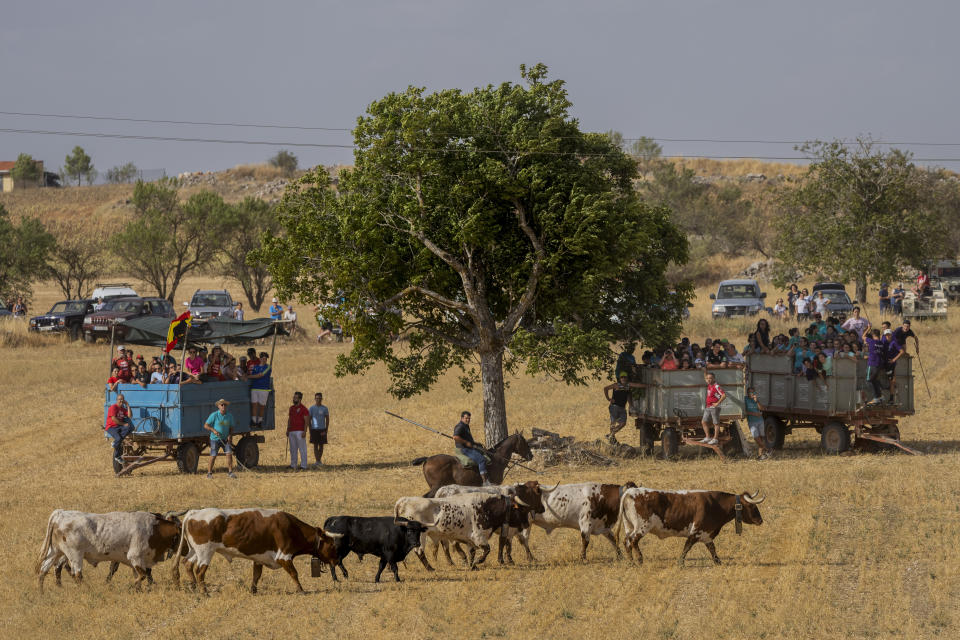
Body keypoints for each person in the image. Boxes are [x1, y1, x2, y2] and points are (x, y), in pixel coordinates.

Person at [452, 411, 490, 485]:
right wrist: (466, 443)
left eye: (469, 418)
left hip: (469, 447)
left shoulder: (466, 426)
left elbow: (467, 438)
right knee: (481, 460)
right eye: (466, 418)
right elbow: (455, 437)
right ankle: (485, 481)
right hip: (464, 449)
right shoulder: (460, 426)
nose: (468, 420)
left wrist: (475, 443)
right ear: (462, 418)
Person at [603, 373, 644, 444]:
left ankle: (610, 435)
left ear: (627, 378)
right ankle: (611, 438)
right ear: (619, 378)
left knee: (623, 423)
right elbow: (605, 388)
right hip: (614, 407)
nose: (623, 378)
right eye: (622, 377)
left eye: (625, 377)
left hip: (622, 408)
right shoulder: (616, 385)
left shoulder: (628, 385)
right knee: (613, 423)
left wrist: (649, 385)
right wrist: (608, 399)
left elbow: (637, 386)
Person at [203, 399, 236, 479]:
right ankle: (209, 473)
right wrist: (213, 430)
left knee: (229, 454)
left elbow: (231, 427)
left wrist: (230, 435)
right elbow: (206, 425)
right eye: (222, 405)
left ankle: (230, 472)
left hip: (225, 439)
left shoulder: (229, 416)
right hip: (215, 439)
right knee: (213, 455)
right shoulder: (214, 415)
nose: (223, 406)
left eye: (225, 405)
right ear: (218, 406)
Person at [105, 393, 133, 467]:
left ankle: (115, 444)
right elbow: (114, 419)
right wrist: (123, 424)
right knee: (119, 438)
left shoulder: (123, 409)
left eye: (122, 399)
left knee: (130, 427)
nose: (121, 401)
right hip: (111, 427)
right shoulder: (113, 407)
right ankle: (117, 455)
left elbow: (130, 416)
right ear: (116, 400)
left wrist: (127, 405)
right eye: (119, 399)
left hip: (118, 426)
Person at [286, 391, 310, 471]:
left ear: (300, 399)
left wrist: (305, 431)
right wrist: (287, 429)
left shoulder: (304, 409)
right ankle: (293, 465)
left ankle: (304, 465)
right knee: (293, 449)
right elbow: (289, 419)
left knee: (302, 448)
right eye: (294, 397)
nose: (294, 399)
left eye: (296, 398)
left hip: (300, 431)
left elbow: (306, 421)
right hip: (292, 430)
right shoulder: (291, 408)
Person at [700, 372, 726, 446]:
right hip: (708, 407)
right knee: (704, 422)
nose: (709, 380)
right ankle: (708, 437)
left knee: (716, 423)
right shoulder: (709, 385)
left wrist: (717, 403)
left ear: (714, 379)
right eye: (707, 378)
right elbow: (705, 376)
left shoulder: (716, 386)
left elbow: (723, 395)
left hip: (715, 408)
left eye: (710, 378)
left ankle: (715, 439)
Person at [744, 387, 770, 459]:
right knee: (756, 438)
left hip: (760, 421)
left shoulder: (756, 399)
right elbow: (744, 411)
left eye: (753, 392)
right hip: (752, 421)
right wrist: (753, 414)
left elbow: (761, 409)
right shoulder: (745, 399)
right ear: (747, 393)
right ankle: (768, 450)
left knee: (761, 438)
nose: (751, 394)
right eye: (750, 392)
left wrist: (757, 401)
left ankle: (760, 455)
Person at [248, 352, 272, 427]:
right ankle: (254, 421)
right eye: (263, 358)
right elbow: (254, 375)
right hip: (255, 388)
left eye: (266, 359)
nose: (265, 360)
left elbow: (260, 375)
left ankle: (260, 421)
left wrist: (248, 376)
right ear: (260, 359)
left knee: (262, 406)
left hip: (264, 389)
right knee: (254, 405)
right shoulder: (255, 367)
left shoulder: (268, 367)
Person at [862, 326, 884, 405]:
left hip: (872, 364)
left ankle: (875, 398)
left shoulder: (871, 341)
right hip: (879, 365)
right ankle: (880, 396)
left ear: (873, 335)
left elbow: (863, 336)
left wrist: (868, 328)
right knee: (874, 380)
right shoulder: (881, 343)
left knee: (868, 381)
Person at [882, 329, 905, 403]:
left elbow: (902, 351)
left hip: (891, 365)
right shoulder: (883, 342)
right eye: (886, 335)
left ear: (891, 335)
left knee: (892, 381)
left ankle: (891, 398)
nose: (888, 336)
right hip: (883, 364)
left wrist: (894, 359)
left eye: (889, 334)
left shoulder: (894, 342)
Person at [308, 392, 330, 467]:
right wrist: (310, 429)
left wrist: (326, 429)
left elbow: (327, 419)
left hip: (322, 429)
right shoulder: (311, 408)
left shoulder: (325, 408)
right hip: (314, 429)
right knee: (315, 445)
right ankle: (317, 461)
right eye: (317, 398)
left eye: (319, 398)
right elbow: (309, 419)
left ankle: (319, 460)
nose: (318, 400)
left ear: (322, 399)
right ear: (315, 399)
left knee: (321, 445)